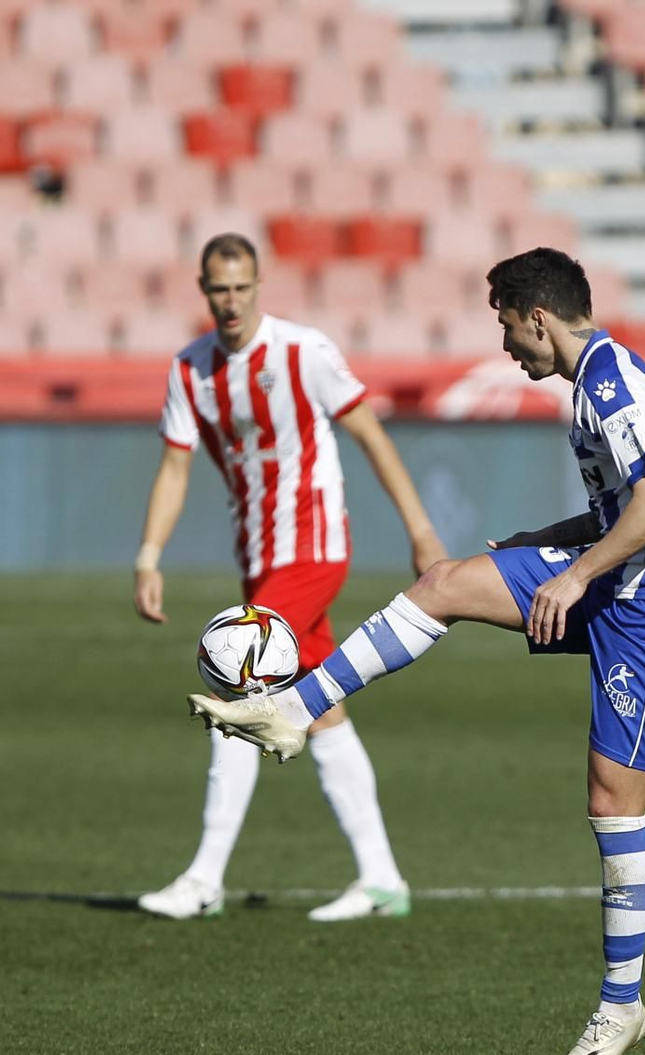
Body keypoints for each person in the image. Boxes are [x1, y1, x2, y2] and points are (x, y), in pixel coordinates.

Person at [189, 247, 645, 1055]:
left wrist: (571, 575)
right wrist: (549, 543)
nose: (506, 346)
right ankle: (292, 709)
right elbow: (622, 509)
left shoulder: (612, 381)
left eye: (507, 327)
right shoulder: (597, 381)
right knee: (442, 585)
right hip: (617, 580)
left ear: (538, 317)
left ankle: (623, 1003)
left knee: (612, 805)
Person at [133, 232, 446, 923]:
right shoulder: (190, 370)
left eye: (241, 287)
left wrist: (421, 531)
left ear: (259, 285)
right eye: (219, 289)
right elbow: (176, 467)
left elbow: (371, 436)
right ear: (203, 290)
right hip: (258, 558)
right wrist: (149, 555)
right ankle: (383, 880)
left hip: (314, 546)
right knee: (324, 704)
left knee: (238, 685)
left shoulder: (303, 352)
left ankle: (204, 879)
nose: (231, 301)